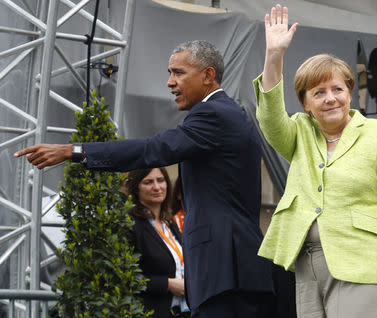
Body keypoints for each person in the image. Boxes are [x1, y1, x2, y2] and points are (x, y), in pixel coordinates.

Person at [15, 40, 274, 318]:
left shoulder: (214, 113)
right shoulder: (225, 114)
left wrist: (75, 150)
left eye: (178, 73)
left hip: (225, 273)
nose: (170, 83)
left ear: (208, 76)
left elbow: (153, 149)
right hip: (228, 272)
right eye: (169, 73)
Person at [254, 4, 377, 318]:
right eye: (318, 92)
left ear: (349, 93)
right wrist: (274, 55)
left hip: (363, 266)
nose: (330, 98)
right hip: (306, 267)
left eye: (337, 89)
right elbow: (270, 118)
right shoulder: (299, 132)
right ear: (305, 102)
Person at [127, 167, 189, 317]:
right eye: (148, 182)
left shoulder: (168, 222)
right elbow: (125, 277)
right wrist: (168, 284)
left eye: (160, 180)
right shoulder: (130, 225)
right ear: (136, 188)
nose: (157, 187)